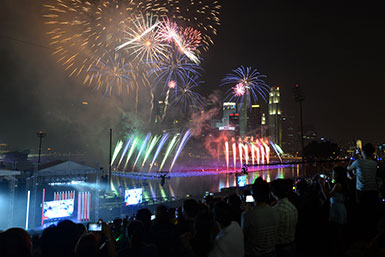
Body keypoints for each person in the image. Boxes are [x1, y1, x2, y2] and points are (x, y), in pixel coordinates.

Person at [347, 143, 379, 236]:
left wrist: (353, 157)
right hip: (373, 191)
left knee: (362, 213)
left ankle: (363, 234)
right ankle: (372, 232)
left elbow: (348, 168)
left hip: (362, 191)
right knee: (371, 213)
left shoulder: (358, 162)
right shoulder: (374, 163)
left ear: (363, 152)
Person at [242, 178, 279, 257]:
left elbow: (244, 237)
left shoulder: (247, 215)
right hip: (272, 253)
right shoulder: (276, 211)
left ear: (253, 194)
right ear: (269, 194)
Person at [270, 179, 298, 257]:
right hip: (292, 245)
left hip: (280, 248)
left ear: (274, 192)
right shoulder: (291, 206)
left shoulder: (276, 210)